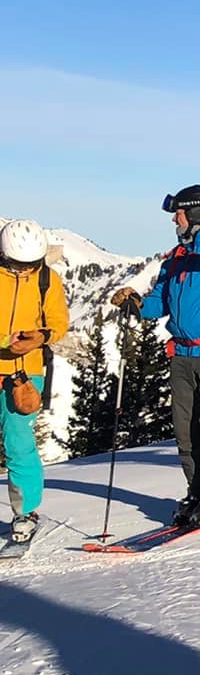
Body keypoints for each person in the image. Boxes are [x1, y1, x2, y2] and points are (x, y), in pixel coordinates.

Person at [110, 184, 200, 527]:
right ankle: (197, 490)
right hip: (182, 354)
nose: (174, 219)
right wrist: (136, 305)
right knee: (185, 429)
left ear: (195, 212)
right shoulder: (178, 257)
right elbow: (160, 302)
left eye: (177, 212)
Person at [1, 219, 68, 546]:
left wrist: (40, 336)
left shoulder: (46, 279)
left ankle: (25, 512)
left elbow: (58, 323)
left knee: (19, 443)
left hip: (25, 374)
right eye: (17, 265)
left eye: (30, 265)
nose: (24, 270)